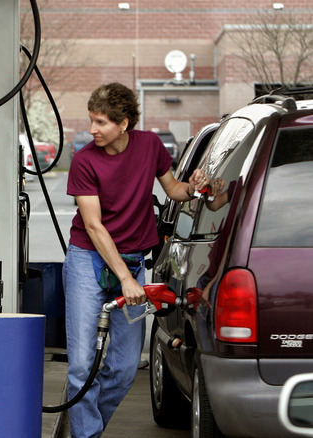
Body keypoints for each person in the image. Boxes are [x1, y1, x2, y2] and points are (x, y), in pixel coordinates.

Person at [64, 82, 208, 438]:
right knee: (82, 366)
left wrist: (194, 187)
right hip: (88, 261)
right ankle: (87, 434)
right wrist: (127, 281)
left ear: (123, 123)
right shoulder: (84, 161)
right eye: (91, 121)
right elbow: (94, 227)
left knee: (126, 367)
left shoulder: (150, 146)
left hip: (130, 262)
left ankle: (87, 424)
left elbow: (173, 189)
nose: (92, 130)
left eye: (100, 123)